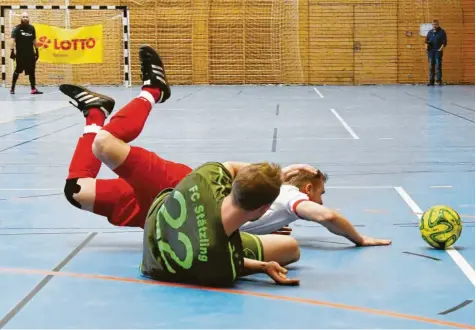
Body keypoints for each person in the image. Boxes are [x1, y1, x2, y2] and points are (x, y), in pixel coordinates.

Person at [61, 45, 303, 287]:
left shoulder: (210, 177)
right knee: (103, 144)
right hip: (174, 190)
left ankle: (95, 113)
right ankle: (153, 90)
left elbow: (232, 168)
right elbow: (235, 262)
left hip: (157, 213)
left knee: (77, 191)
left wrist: (273, 178)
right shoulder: (218, 262)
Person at [240, 171, 392, 247]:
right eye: (320, 193)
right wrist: (360, 239)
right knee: (288, 248)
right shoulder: (293, 196)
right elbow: (327, 217)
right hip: (223, 236)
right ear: (308, 188)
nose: (321, 200)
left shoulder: (278, 191)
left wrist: (265, 228)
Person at [9, 12, 42, 95]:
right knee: (17, 71)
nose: (25, 18)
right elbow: (12, 40)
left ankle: (33, 89)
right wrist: (12, 51)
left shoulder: (32, 28)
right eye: (23, 17)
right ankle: (12, 88)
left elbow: (34, 40)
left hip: (30, 54)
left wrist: (37, 51)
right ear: (21, 18)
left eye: (26, 17)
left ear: (28, 18)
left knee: (32, 72)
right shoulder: (16, 28)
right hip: (20, 55)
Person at [425, 19, 447, 86]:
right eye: (433, 24)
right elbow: (426, 41)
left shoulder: (442, 32)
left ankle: (438, 81)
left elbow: (444, 42)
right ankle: (431, 81)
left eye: (435, 24)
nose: (434, 26)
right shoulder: (430, 32)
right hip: (431, 52)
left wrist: (440, 49)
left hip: (438, 51)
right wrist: (426, 47)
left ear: (438, 24)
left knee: (438, 66)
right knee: (431, 66)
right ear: (432, 25)